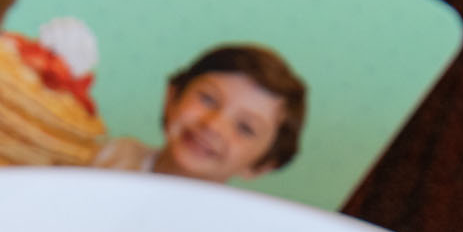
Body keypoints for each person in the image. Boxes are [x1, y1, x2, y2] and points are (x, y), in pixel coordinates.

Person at [95, 43, 308, 184]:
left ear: (262, 166)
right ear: (173, 97)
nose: (213, 125)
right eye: (208, 99)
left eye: (245, 128)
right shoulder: (106, 158)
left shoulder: (236, 229)